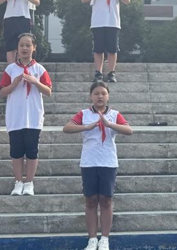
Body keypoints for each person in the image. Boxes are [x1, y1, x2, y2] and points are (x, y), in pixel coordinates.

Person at [63, 81, 133, 250]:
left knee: (106, 200)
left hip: (108, 162)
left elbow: (129, 130)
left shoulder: (114, 114)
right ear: (90, 97)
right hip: (89, 162)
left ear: (108, 96)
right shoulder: (84, 114)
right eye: (96, 93)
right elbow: (67, 128)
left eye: (103, 93)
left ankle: (105, 239)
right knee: (91, 200)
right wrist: (87, 127)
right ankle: (92, 239)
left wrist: (109, 125)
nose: (100, 96)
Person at [0, 33, 52, 196]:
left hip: (33, 117)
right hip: (15, 117)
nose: (24, 48)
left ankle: (29, 182)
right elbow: (2, 92)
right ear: (17, 48)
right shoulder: (10, 69)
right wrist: (14, 83)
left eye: (28, 45)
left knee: (31, 150)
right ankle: (18, 182)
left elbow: (48, 91)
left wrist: (35, 82)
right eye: (21, 45)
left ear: (34, 48)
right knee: (16, 151)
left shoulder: (39, 69)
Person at [81, 0, 131, 83]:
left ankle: (111, 73)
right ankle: (98, 72)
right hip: (98, 22)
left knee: (112, 49)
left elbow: (127, 0)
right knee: (98, 49)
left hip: (113, 22)